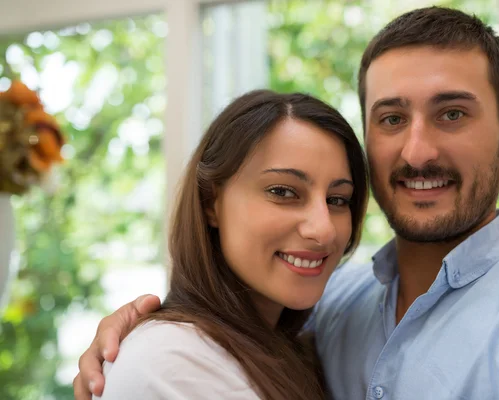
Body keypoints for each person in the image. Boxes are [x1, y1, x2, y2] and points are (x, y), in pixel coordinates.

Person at [75, 6, 499, 400]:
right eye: (392, 118)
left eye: (452, 114)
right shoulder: (322, 304)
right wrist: (140, 331)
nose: (418, 151)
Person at [85, 89, 369, 400]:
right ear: (211, 202)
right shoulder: (168, 363)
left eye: (337, 199)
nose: (324, 229)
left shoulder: (299, 346)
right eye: (283, 192)